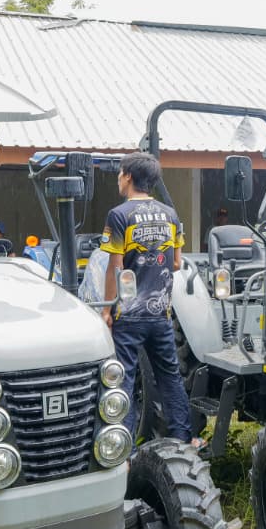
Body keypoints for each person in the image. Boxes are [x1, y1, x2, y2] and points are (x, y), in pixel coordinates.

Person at [100, 152, 193, 444]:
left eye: (119, 172)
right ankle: (182, 437)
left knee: (124, 379)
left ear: (128, 175)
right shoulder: (170, 214)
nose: (118, 177)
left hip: (128, 314)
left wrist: (107, 310)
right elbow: (176, 263)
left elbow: (115, 267)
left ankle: (122, 449)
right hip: (161, 313)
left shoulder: (119, 215)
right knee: (170, 376)